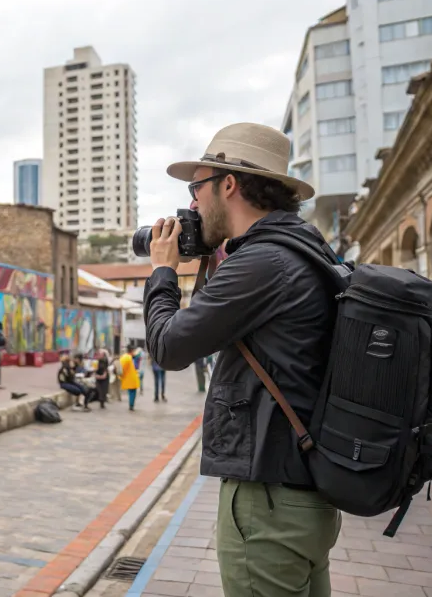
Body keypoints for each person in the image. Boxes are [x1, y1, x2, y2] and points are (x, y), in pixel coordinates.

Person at [144, 123, 340, 596]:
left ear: (228, 185)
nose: (191, 205)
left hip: (266, 501)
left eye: (196, 189)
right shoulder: (303, 249)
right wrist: (214, 258)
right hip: (304, 497)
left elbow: (169, 346)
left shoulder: (264, 263)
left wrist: (163, 270)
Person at [118, 345, 140, 411]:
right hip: (131, 378)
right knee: (132, 393)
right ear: (132, 351)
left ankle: (131, 405)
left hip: (129, 378)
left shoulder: (125, 357)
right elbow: (122, 368)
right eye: (134, 351)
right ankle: (131, 405)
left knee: (131, 392)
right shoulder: (128, 358)